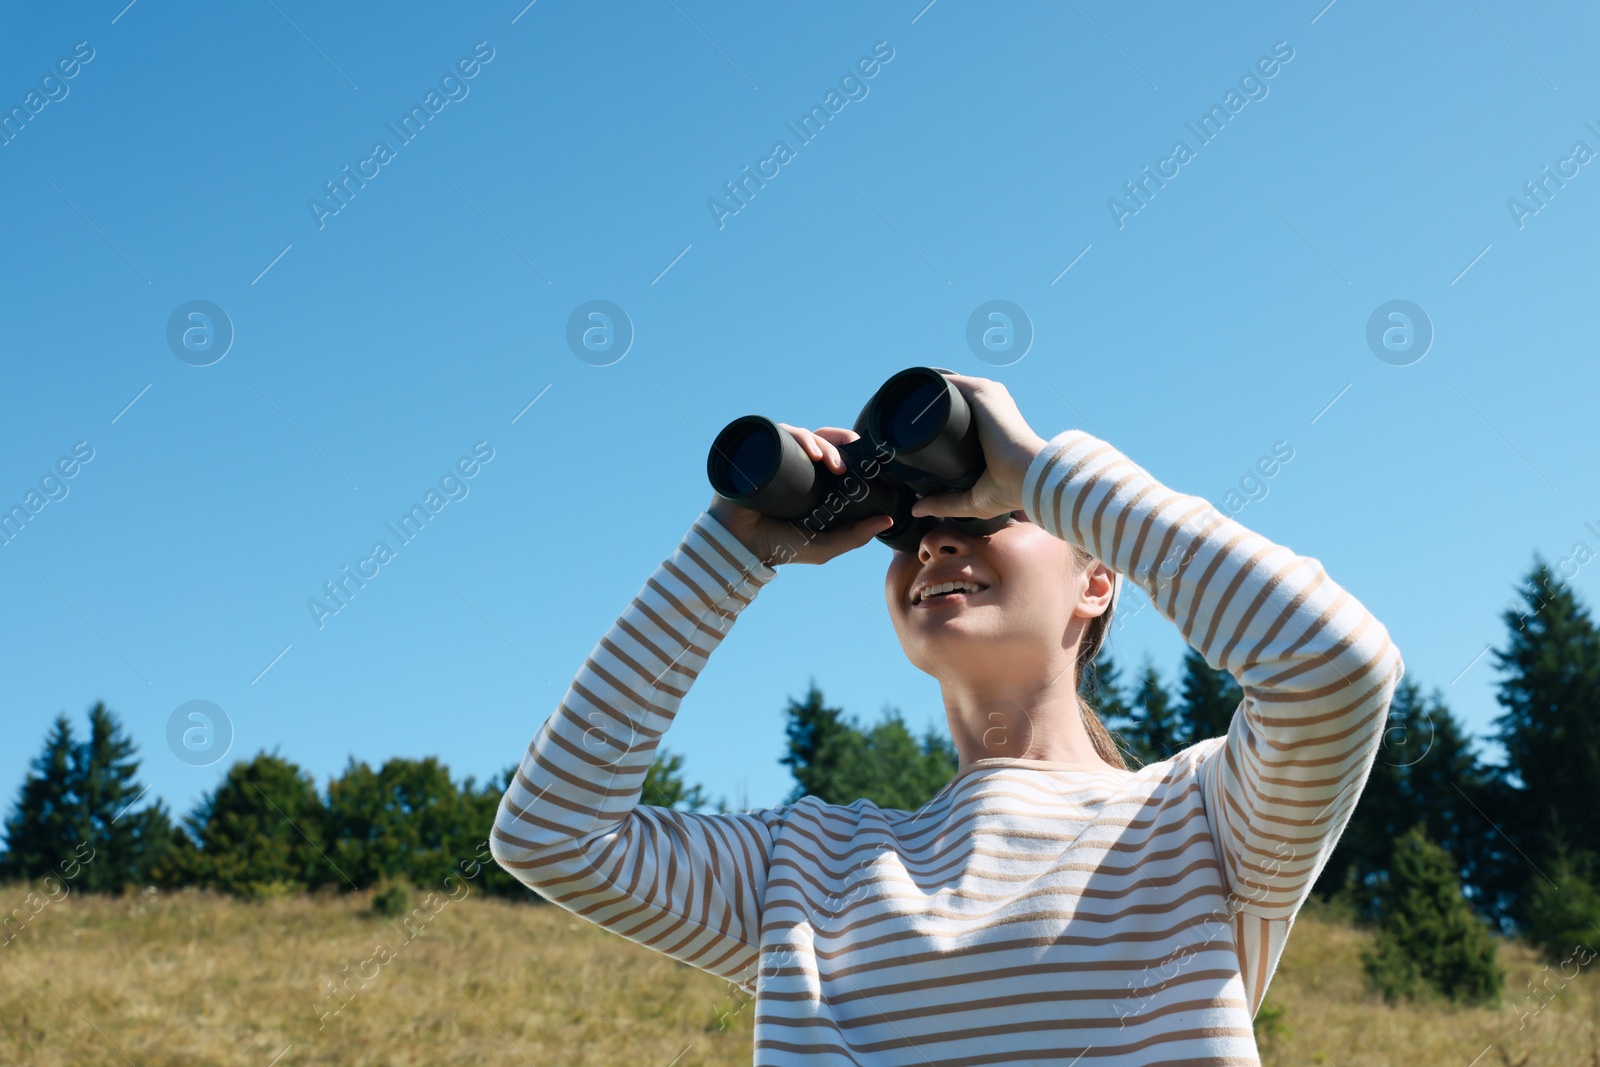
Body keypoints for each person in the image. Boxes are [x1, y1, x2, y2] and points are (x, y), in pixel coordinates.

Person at [489, 372, 1404, 1065]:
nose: (933, 536)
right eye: (908, 532)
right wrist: (731, 550)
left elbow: (1336, 666)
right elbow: (553, 832)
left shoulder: (1201, 822)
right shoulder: (805, 870)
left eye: (993, 514)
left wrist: (1044, 470)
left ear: (1096, 581)